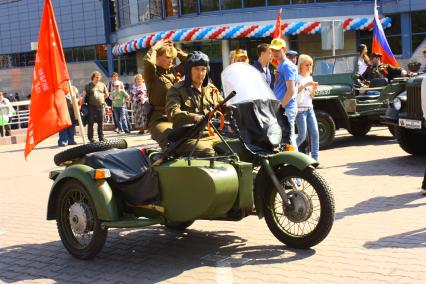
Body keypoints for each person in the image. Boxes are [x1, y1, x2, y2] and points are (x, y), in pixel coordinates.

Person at [166, 51, 223, 157]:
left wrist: (237, 108)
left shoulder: (211, 89)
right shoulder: (177, 89)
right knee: (208, 152)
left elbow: (223, 106)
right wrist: (194, 117)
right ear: (188, 71)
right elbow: (172, 112)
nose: (200, 73)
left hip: (212, 134)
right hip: (188, 137)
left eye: (203, 69)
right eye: (196, 69)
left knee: (235, 148)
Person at [143, 39, 187, 150]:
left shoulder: (173, 71)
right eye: (168, 57)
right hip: (159, 118)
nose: (171, 60)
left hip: (177, 115)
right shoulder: (152, 75)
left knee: (191, 141)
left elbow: (189, 62)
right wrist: (155, 48)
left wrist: (175, 50)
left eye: (172, 58)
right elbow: (148, 62)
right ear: (157, 57)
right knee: (171, 144)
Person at [270, 38, 298, 150]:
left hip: (286, 108)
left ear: (284, 50)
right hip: (285, 107)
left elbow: (291, 90)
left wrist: (281, 107)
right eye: (273, 50)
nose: (275, 53)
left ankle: (298, 164)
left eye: (278, 50)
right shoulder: (281, 65)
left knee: (289, 139)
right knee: (286, 139)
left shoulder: (286, 66)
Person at [295, 54, 321, 164]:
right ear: (301, 65)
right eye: (307, 64)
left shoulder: (310, 77)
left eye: (311, 64)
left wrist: (314, 90)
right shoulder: (297, 77)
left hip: (310, 108)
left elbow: (311, 96)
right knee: (301, 136)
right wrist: (307, 84)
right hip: (300, 110)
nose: (309, 66)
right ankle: (290, 151)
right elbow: (295, 90)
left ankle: (315, 160)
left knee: (315, 133)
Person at [83, 71, 109, 143]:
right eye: (96, 77)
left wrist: (102, 98)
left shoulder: (102, 85)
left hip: (100, 106)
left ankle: (101, 137)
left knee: (100, 122)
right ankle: (91, 138)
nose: (98, 78)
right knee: (90, 123)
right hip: (91, 106)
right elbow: (84, 96)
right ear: (93, 78)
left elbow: (107, 94)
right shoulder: (88, 85)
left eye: (99, 77)